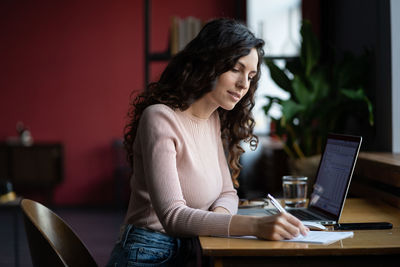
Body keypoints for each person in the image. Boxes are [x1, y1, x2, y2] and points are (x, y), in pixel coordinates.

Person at [106, 18, 308, 267]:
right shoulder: (159, 118)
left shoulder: (212, 119)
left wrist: (216, 221)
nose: (244, 84)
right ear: (208, 64)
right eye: (236, 69)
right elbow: (172, 216)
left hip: (195, 247)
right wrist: (255, 225)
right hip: (148, 252)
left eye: (251, 75)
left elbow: (227, 193)